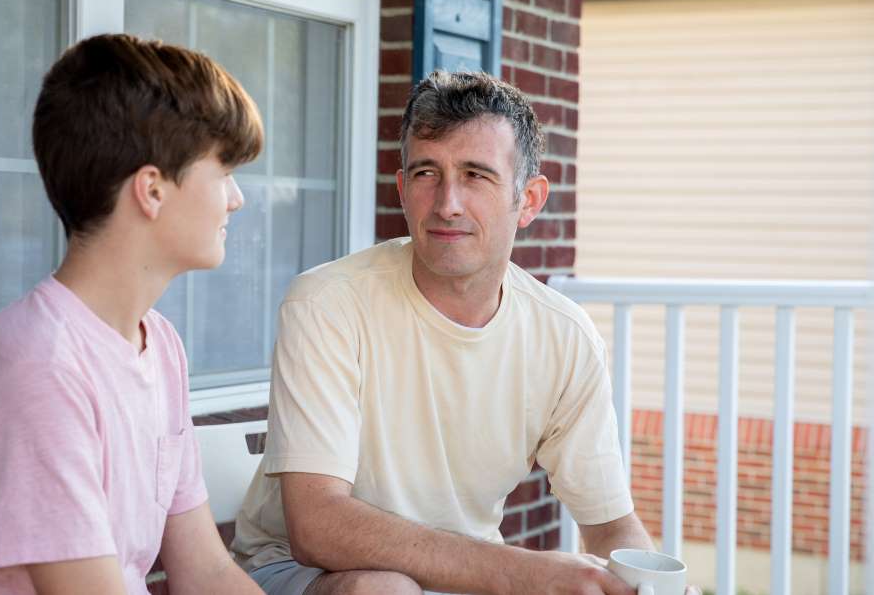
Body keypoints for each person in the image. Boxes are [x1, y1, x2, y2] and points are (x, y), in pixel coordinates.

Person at [232, 70, 663, 595]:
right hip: (304, 573)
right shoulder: (328, 304)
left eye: (476, 176)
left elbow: (609, 525)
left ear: (528, 200)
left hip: (463, 577)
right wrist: (523, 573)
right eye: (426, 173)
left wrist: (649, 582)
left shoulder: (564, 337)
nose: (447, 203)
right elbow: (317, 526)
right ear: (402, 189)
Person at [0, 34, 266, 595]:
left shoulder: (160, 345)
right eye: (222, 172)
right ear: (151, 190)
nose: (236, 198)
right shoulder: (38, 368)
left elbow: (207, 572)